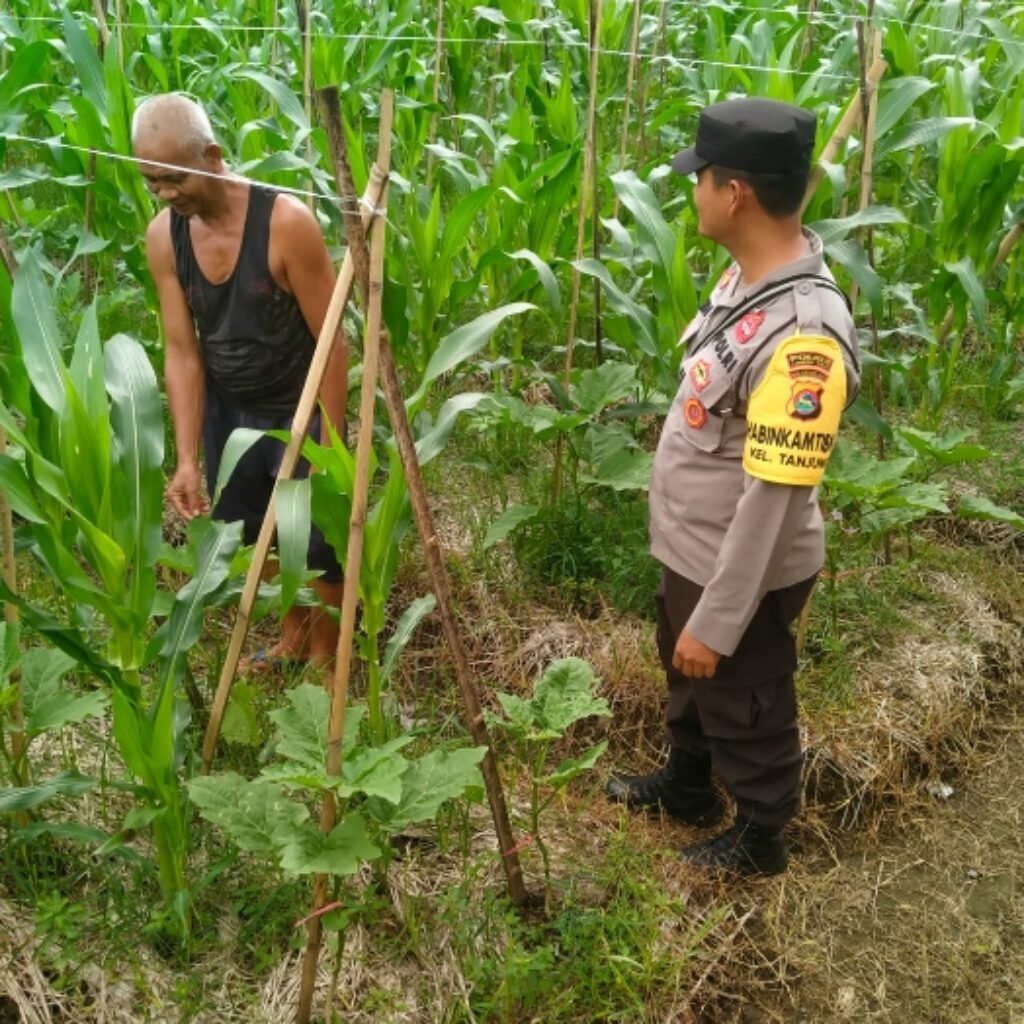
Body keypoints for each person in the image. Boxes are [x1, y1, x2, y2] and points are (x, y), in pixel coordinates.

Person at [607, 98, 861, 876]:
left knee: (745, 690)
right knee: (687, 675)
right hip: (696, 549)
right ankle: (689, 783)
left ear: (735, 193)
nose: (692, 193)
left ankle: (760, 834)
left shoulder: (804, 336)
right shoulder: (752, 278)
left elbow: (776, 500)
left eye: (700, 179)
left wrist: (720, 619)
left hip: (738, 569)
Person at [133, 93, 346, 669]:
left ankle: (329, 655)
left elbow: (332, 342)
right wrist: (185, 457)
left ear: (212, 156)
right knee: (251, 526)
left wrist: (330, 442)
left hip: (298, 402)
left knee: (318, 539)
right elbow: (181, 351)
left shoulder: (284, 223)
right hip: (230, 409)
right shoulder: (165, 237)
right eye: (151, 182)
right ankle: (294, 634)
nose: (164, 193)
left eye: (173, 178)